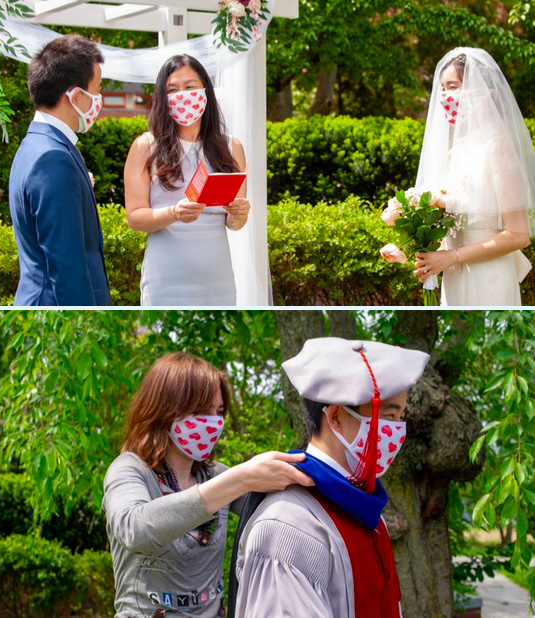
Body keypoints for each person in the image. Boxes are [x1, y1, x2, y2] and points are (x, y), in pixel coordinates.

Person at [228, 337, 430, 618]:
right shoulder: (289, 524)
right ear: (335, 417)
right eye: (388, 416)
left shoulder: (364, 508)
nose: (397, 431)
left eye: (401, 417)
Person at [103, 352, 313, 618]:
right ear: (165, 408)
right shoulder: (128, 469)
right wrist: (240, 478)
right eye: (202, 410)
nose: (214, 422)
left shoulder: (214, 475)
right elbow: (135, 530)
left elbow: (280, 508)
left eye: (219, 412)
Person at [123, 55, 250, 306]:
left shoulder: (231, 147)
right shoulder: (145, 146)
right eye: (173, 90)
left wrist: (239, 214)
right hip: (165, 279)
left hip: (218, 279)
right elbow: (135, 218)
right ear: (163, 98)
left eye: (190, 87)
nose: (182, 95)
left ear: (205, 91)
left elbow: (235, 224)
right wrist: (174, 213)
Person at [412, 48, 534, 305]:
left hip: (489, 275)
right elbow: (451, 222)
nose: (445, 97)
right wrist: (425, 253)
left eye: (453, 87)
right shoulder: (454, 153)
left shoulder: (497, 147)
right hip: (454, 275)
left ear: (481, 91)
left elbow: (519, 235)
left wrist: (452, 257)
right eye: (442, 89)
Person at [8, 34, 112, 306]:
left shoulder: (35, 145)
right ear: (76, 96)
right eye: (97, 89)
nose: (99, 99)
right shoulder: (53, 158)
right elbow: (68, 269)